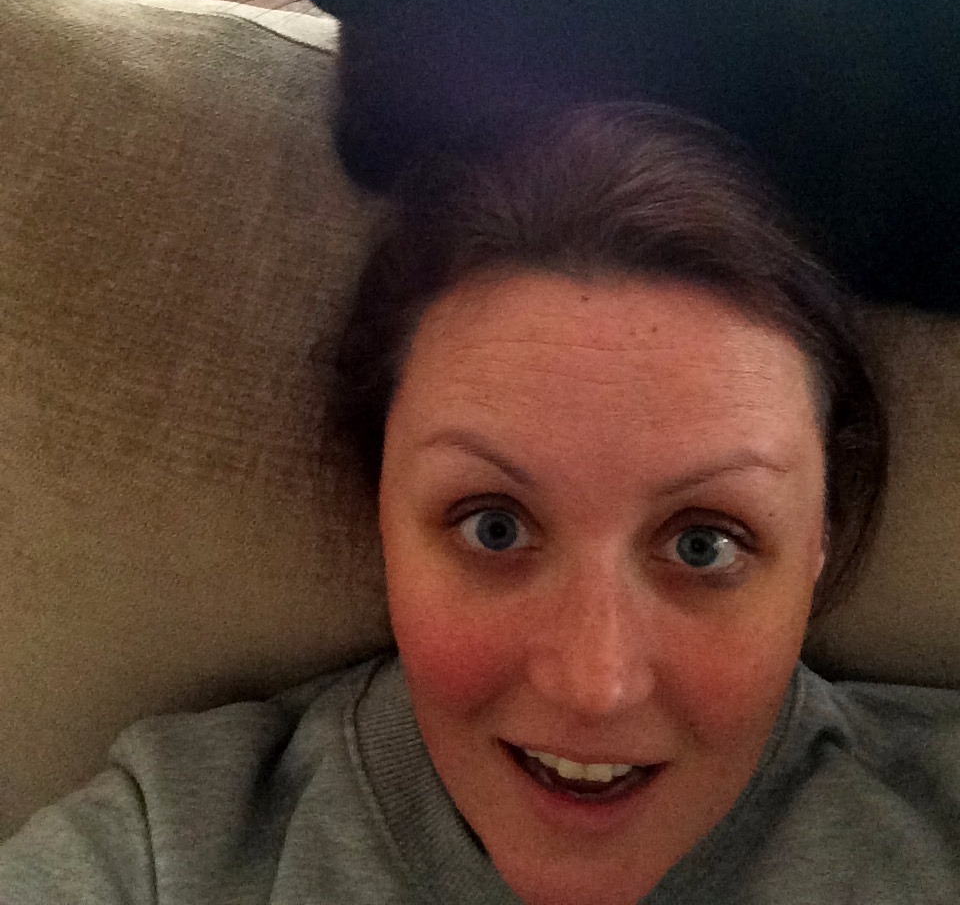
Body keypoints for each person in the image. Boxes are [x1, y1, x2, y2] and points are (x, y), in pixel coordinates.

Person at [1, 102, 957, 904]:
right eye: (493, 528)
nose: (594, 685)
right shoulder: (165, 854)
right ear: (381, 511)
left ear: (820, 538)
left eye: (706, 543)